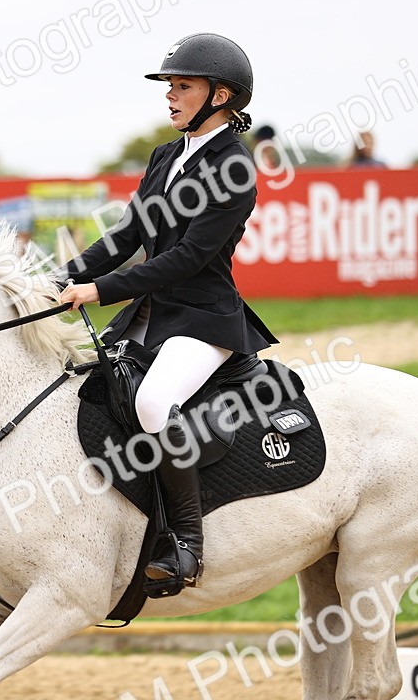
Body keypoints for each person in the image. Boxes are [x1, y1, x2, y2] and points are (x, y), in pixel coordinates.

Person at [55, 33, 278, 588]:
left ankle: (186, 544)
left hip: (204, 318)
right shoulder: (165, 156)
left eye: (183, 86)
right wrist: (64, 277)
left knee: (155, 401)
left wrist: (100, 290)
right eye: (169, 86)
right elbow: (128, 233)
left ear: (221, 96)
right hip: (153, 314)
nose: (170, 95)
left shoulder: (235, 168)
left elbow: (187, 258)